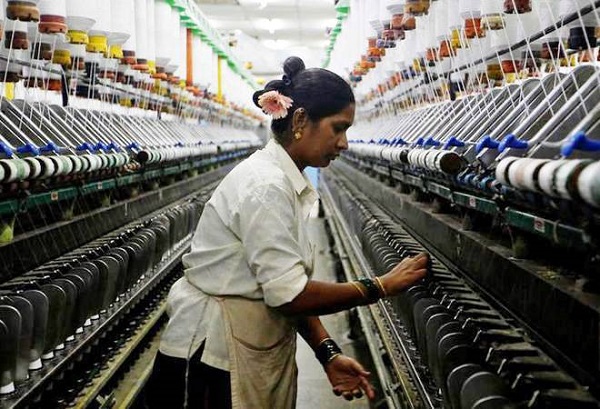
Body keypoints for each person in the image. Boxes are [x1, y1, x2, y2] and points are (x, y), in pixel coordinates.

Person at [144, 56, 429, 409]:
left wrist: (327, 352)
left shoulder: (282, 181)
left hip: (244, 348)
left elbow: (282, 281)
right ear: (299, 120)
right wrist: (379, 287)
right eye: (338, 128)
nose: (344, 143)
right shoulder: (266, 186)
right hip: (214, 361)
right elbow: (289, 296)